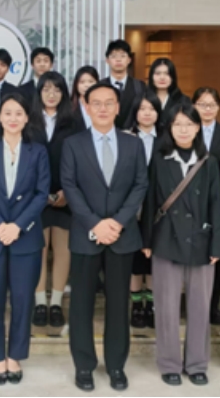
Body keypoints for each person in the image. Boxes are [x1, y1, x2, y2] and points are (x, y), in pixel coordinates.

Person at [61, 83, 148, 392]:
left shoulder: (133, 144)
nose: (101, 108)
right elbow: (69, 187)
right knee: (81, 303)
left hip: (122, 237)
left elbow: (140, 185)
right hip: (87, 236)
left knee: (118, 303)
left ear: (117, 107)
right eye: (95, 103)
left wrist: (118, 223)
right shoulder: (73, 144)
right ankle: (84, 365)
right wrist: (95, 224)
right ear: (85, 106)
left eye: (108, 103)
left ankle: (115, 365)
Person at [141, 104, 220, 387]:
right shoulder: (160, 158)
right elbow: (151, 200)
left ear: (198, 127)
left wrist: (218, 245)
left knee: (200, 306)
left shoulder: (209, 162)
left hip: (202, 241)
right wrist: (147, 240)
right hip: (166, 239)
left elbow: (217, 204)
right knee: (165, 306)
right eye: (178, 124)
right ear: (169, 128)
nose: (184, 129)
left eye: (189, 124)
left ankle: (197, 363)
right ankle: (169, 364)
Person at [0, 93, 50, 385]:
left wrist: (17, 226)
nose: (13, 118)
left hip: (25, 237)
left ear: (27, 117)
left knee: (22, 299)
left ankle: (15, 355)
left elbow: (42, 193)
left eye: (19, 113)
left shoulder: (38, 151)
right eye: (8, 113)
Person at [28, 72, 75, 328]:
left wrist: (67, 192)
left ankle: (56, 302)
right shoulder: (29, 122)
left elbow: (79, 161)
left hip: (65, 196)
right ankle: (39, 303)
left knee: (62, 250)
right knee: (39, 249)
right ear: (39, 93)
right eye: (46, 89)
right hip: (36, 196)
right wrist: (39, 193)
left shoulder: (73, 123)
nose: (51, 93)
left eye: (57, 89)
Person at [192, 87, 220, 326]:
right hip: (190, 202)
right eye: (201, 104)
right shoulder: (186, 132)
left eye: (211, 104)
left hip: (218, 199)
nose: (207, 109)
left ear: (219, 107)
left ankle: (212, 305)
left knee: (215, 255)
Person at [122, 90, 162, 329]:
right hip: (131, 209)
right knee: (136, 260)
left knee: (155, 259)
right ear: (135, 112)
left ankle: (154, 304)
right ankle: (137, 305)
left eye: (152, 109)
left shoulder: (166, 138)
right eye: (142, 109)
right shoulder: (125, 137)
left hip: (158, 209)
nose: (147, 113)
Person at [100, 40, 146, 128]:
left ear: (129, 60)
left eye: (122, 56)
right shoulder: (100, 86)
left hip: (133, 135)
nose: (118, 60)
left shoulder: (139, 86)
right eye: (114, 56)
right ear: (107, 60)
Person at [148, 58, 191, 128]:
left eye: (167, 74)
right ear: (151, 76)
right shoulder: (143, 98)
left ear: (173, 77)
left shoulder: (183, 100)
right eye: (158, 73)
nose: (162, 77)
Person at [70, 66, 99, 133]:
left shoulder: (103, 106)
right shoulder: (69, 106)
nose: (86, 85)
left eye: (91, 81)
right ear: (76, 85)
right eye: (82, 82)